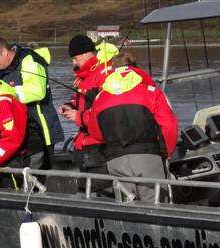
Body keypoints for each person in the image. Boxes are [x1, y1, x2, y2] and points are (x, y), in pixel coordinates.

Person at [87, 66, 178, 202]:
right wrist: (167, 153)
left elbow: (95, 133)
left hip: (116, 160)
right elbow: (168, 126)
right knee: (156, 205)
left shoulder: (100, 98)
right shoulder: (152, 92)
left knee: (127, 204)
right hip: (149, 158)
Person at [0, 36, 64, 169]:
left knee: (44, 170)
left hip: (41, 127)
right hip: (19, 132)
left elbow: (37, 91)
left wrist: (8, 95)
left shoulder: (29, 60)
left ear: (4, 52)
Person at [59, 35, 118, 181]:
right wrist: (70, 106)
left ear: (86, 53)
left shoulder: (105, 74)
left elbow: (106, 112)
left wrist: (79, 116)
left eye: (75, 58)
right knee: (85, 184)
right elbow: (80, 99)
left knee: (98, 186)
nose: (73, 62)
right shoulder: (83, 77)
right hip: (85, 141)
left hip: (100, 144)